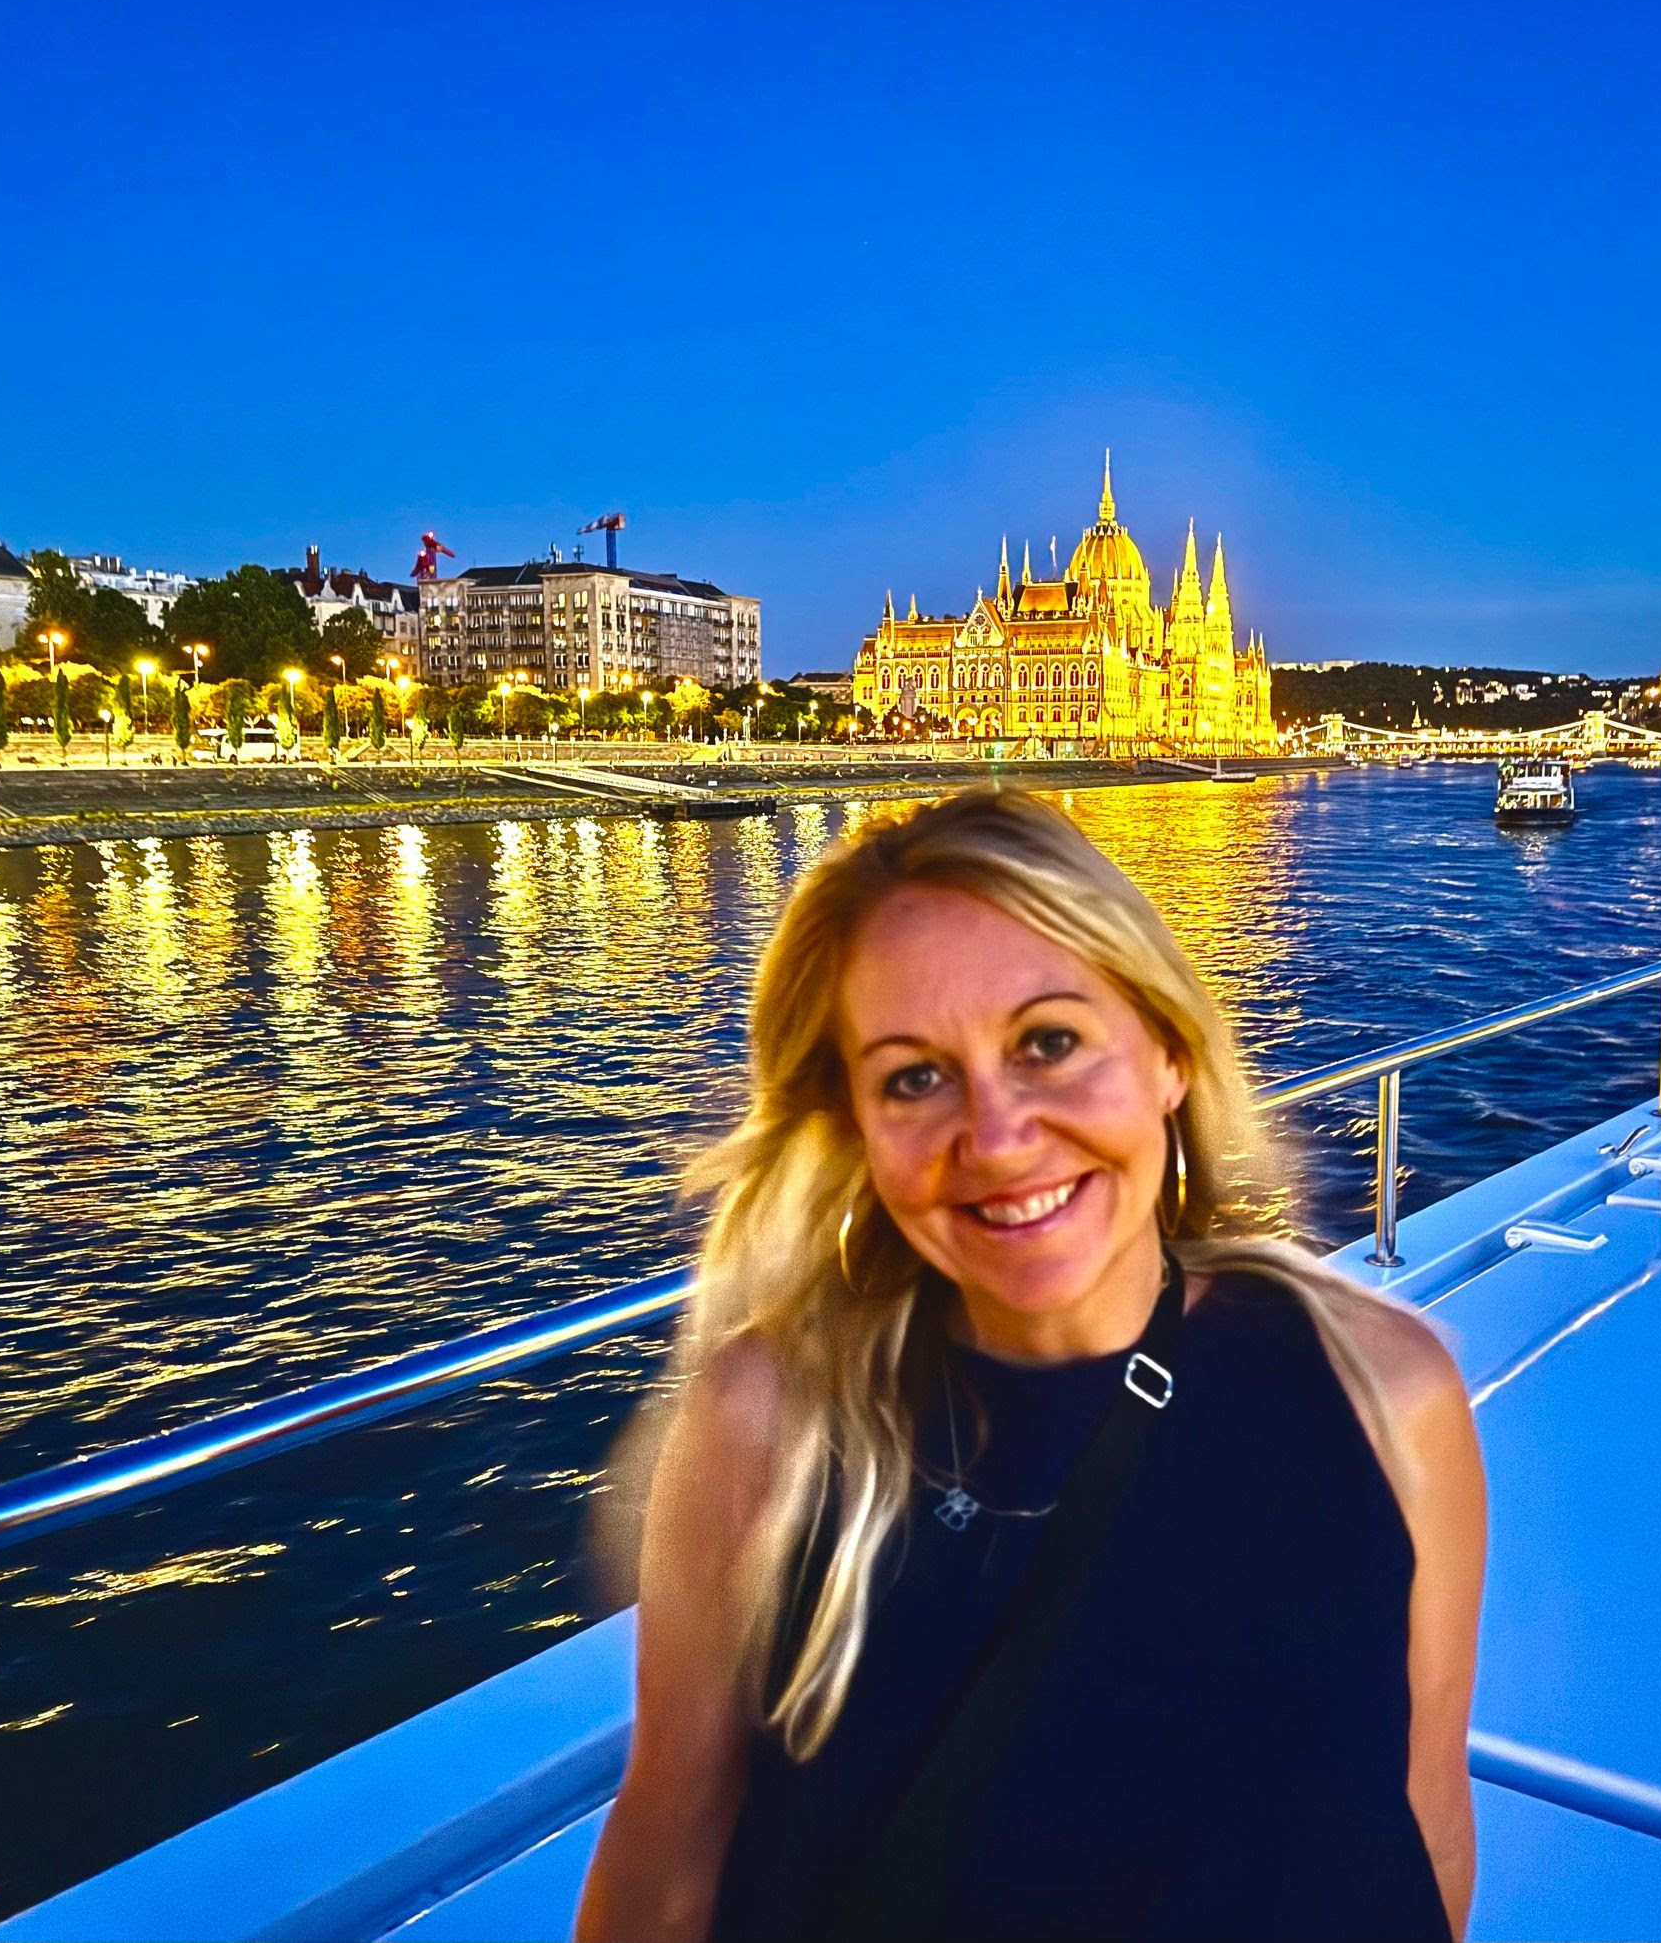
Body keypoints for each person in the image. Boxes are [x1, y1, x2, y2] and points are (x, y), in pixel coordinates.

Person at [577, 788, 1486, 1942]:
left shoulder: (1382, 1392)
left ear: (1166, 1051)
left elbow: (1417, 1818)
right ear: (853, 1122)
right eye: (913, 1076)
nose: (997, 1137)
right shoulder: (772, 1421)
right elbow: (671, 1843)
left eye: (1048, 1042)